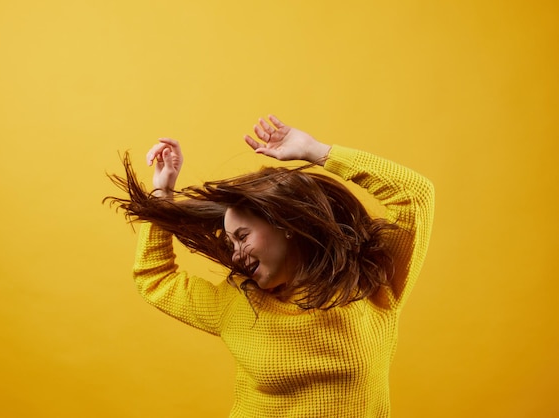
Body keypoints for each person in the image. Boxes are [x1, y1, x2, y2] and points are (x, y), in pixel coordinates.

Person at [105, 115, 435, 417]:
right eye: (231, 242)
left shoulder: (371, 285)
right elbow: (155, 277)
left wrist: (317, 151)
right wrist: (162, 195)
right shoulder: (236, 303)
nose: (235, 254)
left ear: (285, 224)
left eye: (243, 236)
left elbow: (415, 195)